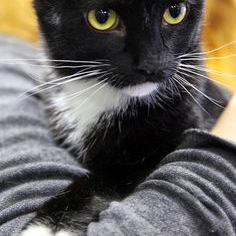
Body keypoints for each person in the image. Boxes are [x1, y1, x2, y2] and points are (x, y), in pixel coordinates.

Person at [0, 0, 236, 234]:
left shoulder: (198, 94)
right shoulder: (12, 72)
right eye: (104, 17)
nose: (152, 62)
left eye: (173, 12)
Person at [0, 34, 235, 235]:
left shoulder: (195, 69)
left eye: (174, 12)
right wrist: (224, 149)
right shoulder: (11, 67)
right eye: (103, 18)